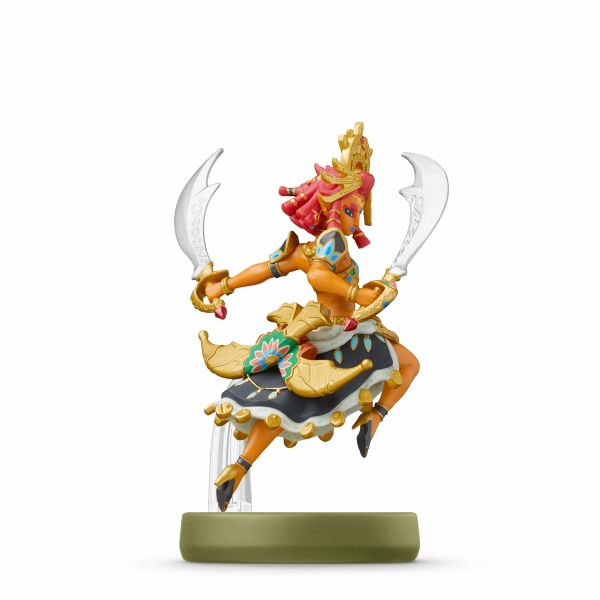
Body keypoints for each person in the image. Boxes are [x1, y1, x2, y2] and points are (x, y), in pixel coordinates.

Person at [201, 125, 419, 511]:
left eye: (358, 209)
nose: (357, 218)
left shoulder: (308, 248)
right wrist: (357, 294)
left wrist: (225, 285)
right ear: (337, 208)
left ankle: (239, 467)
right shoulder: (333, 241)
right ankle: (373, 420)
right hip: (344, 335)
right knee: (409, 364)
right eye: (353, 209)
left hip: (325, 331)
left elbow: (268, 269)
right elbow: (320, 277)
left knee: (279, 406)